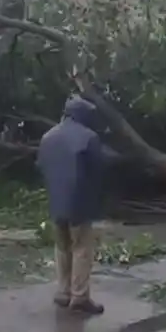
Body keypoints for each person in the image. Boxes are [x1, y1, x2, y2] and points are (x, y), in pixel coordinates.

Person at [36, 95, 119, 315]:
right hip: (79, 202)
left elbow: (41, 165)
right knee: (82, 247)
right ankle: (80, 296)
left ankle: (63, 292)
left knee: (62, 247)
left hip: (56, 202)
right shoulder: (89, 137)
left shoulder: (47, 137)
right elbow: (99, 167)